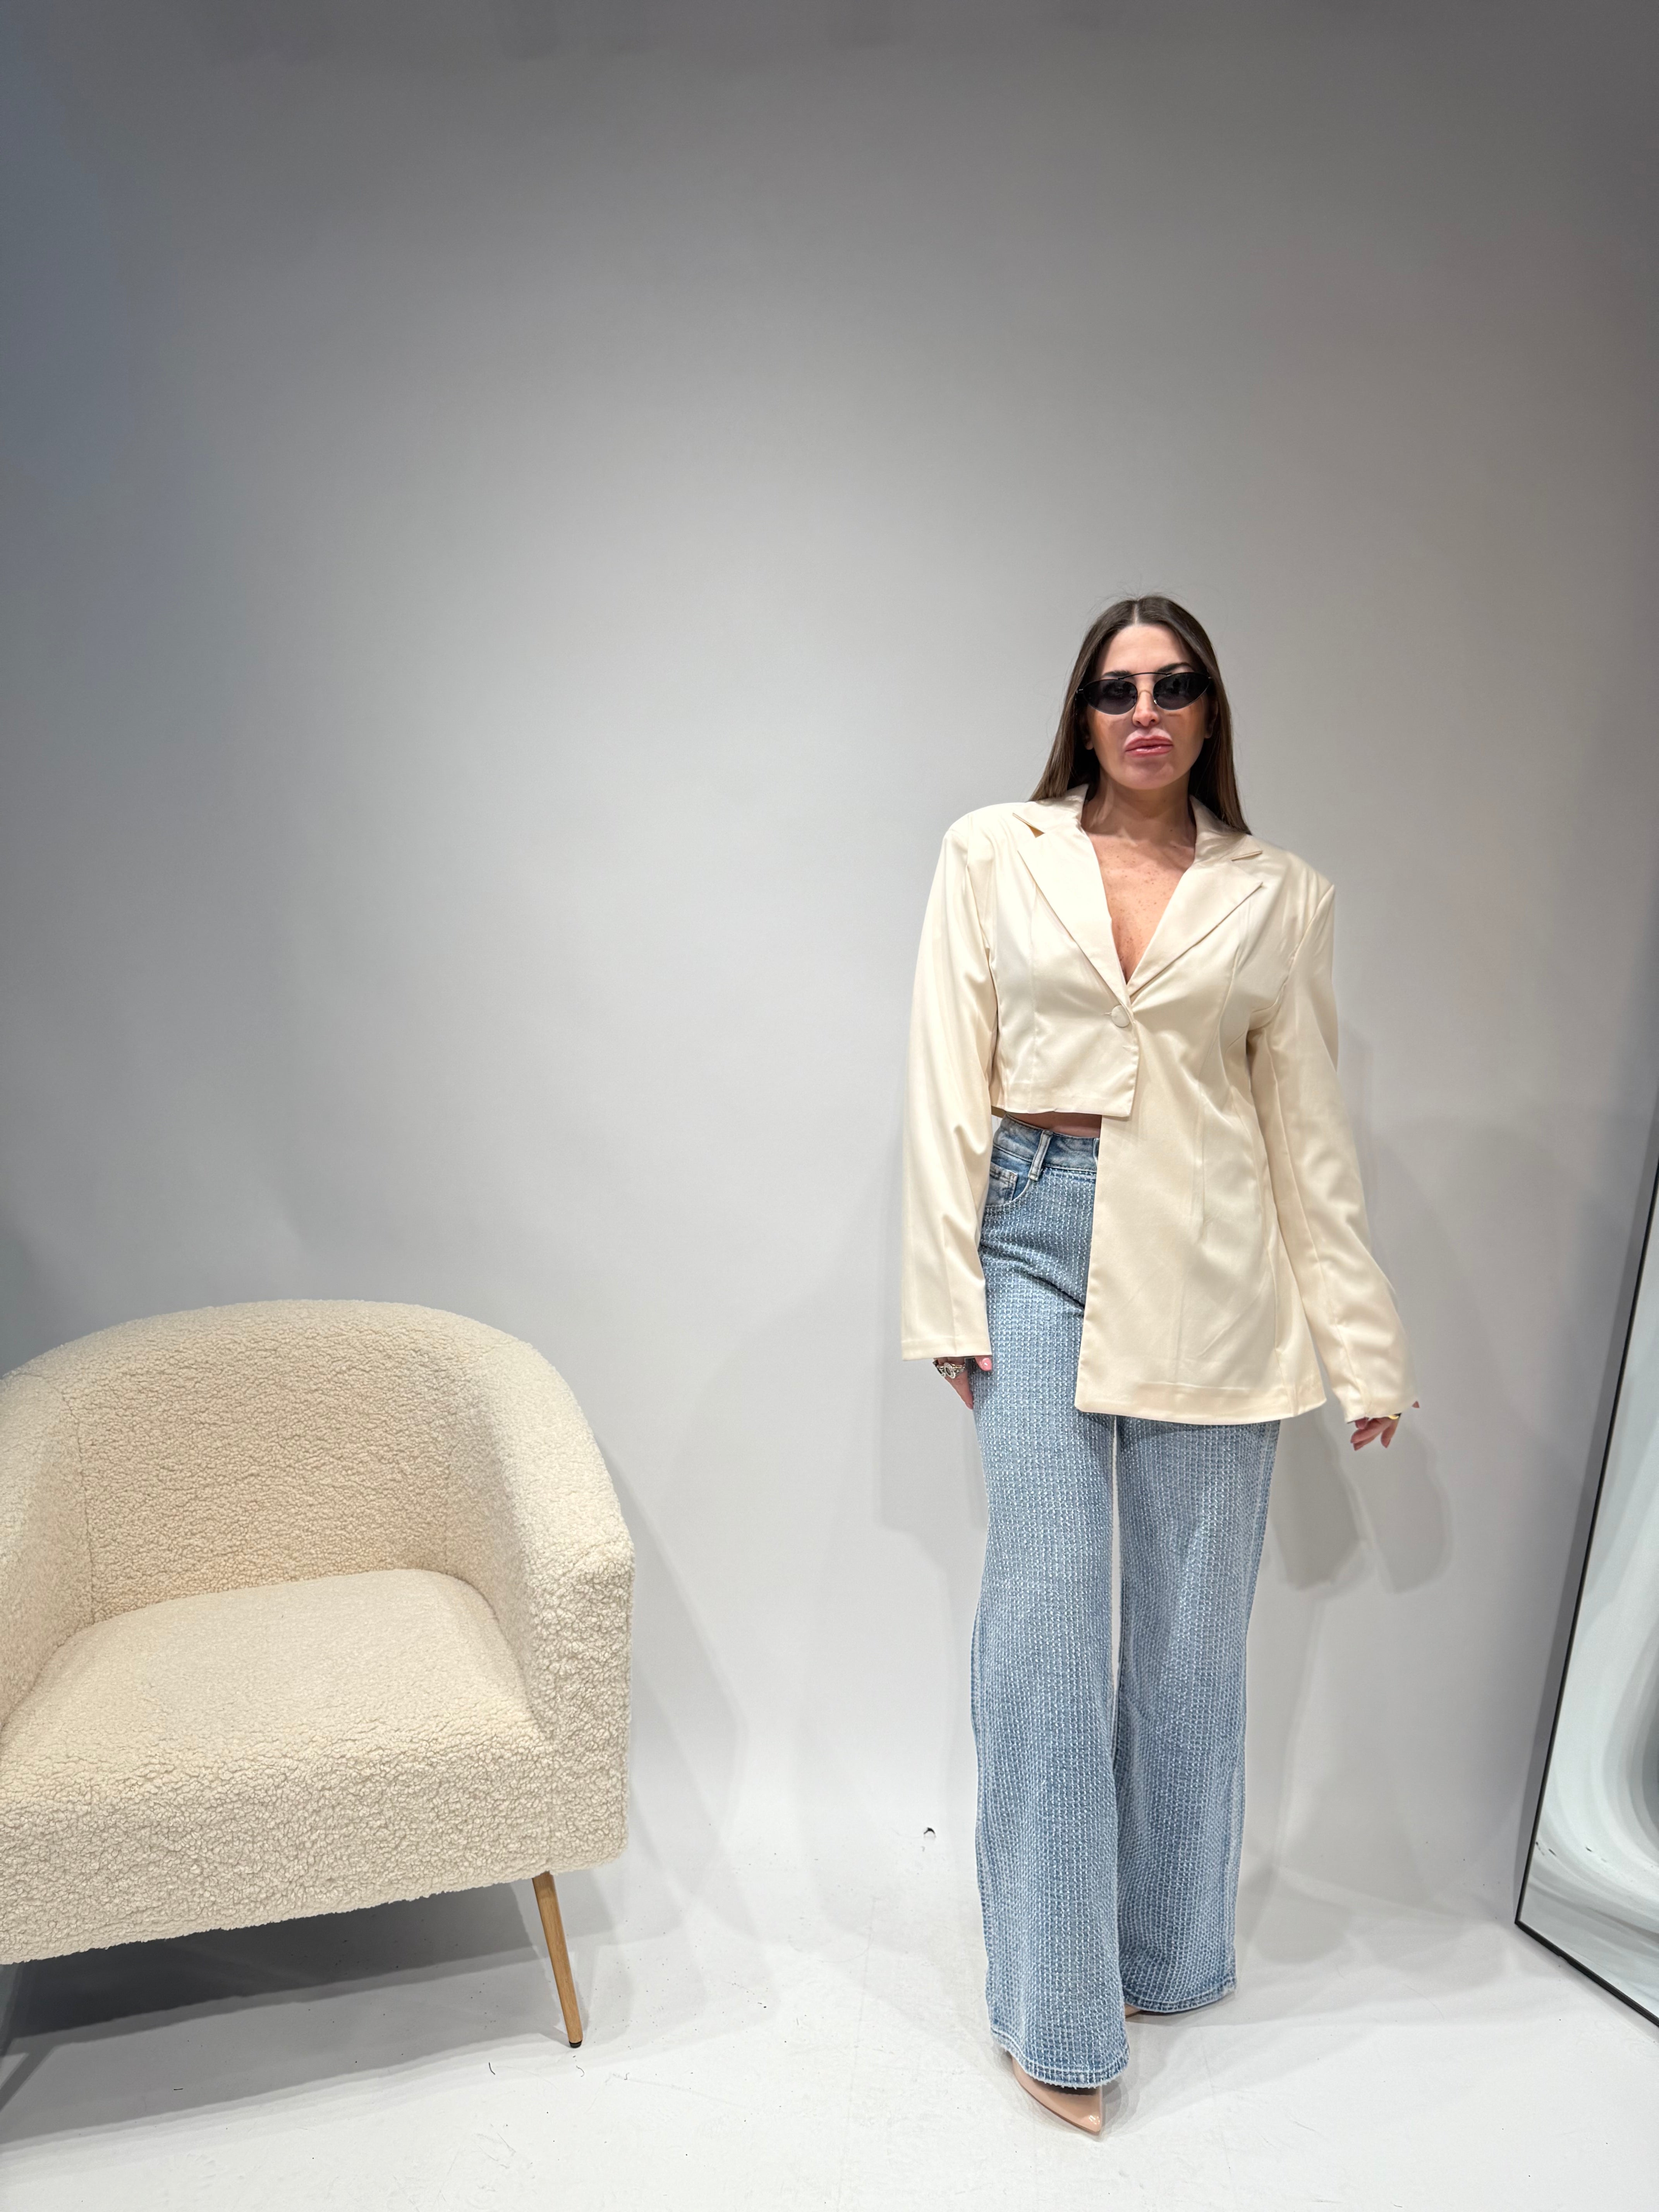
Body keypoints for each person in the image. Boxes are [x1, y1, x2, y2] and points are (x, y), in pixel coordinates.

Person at [900, 594, 1416, 2134]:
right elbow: (946, 1072)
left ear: (1208, 712)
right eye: (1118, 688)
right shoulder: (994, 853)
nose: (1145, 711)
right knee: (1046, 1632)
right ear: (1083, 712)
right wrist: (945, 1293)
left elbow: (1305, 1135)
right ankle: (1056, 2011)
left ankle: (1166, 1958)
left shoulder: (1282, 895)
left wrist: (1362, 1345)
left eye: (1173, 685)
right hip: (1034, 1248)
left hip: (1212, 1268)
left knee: (1191, 1648)